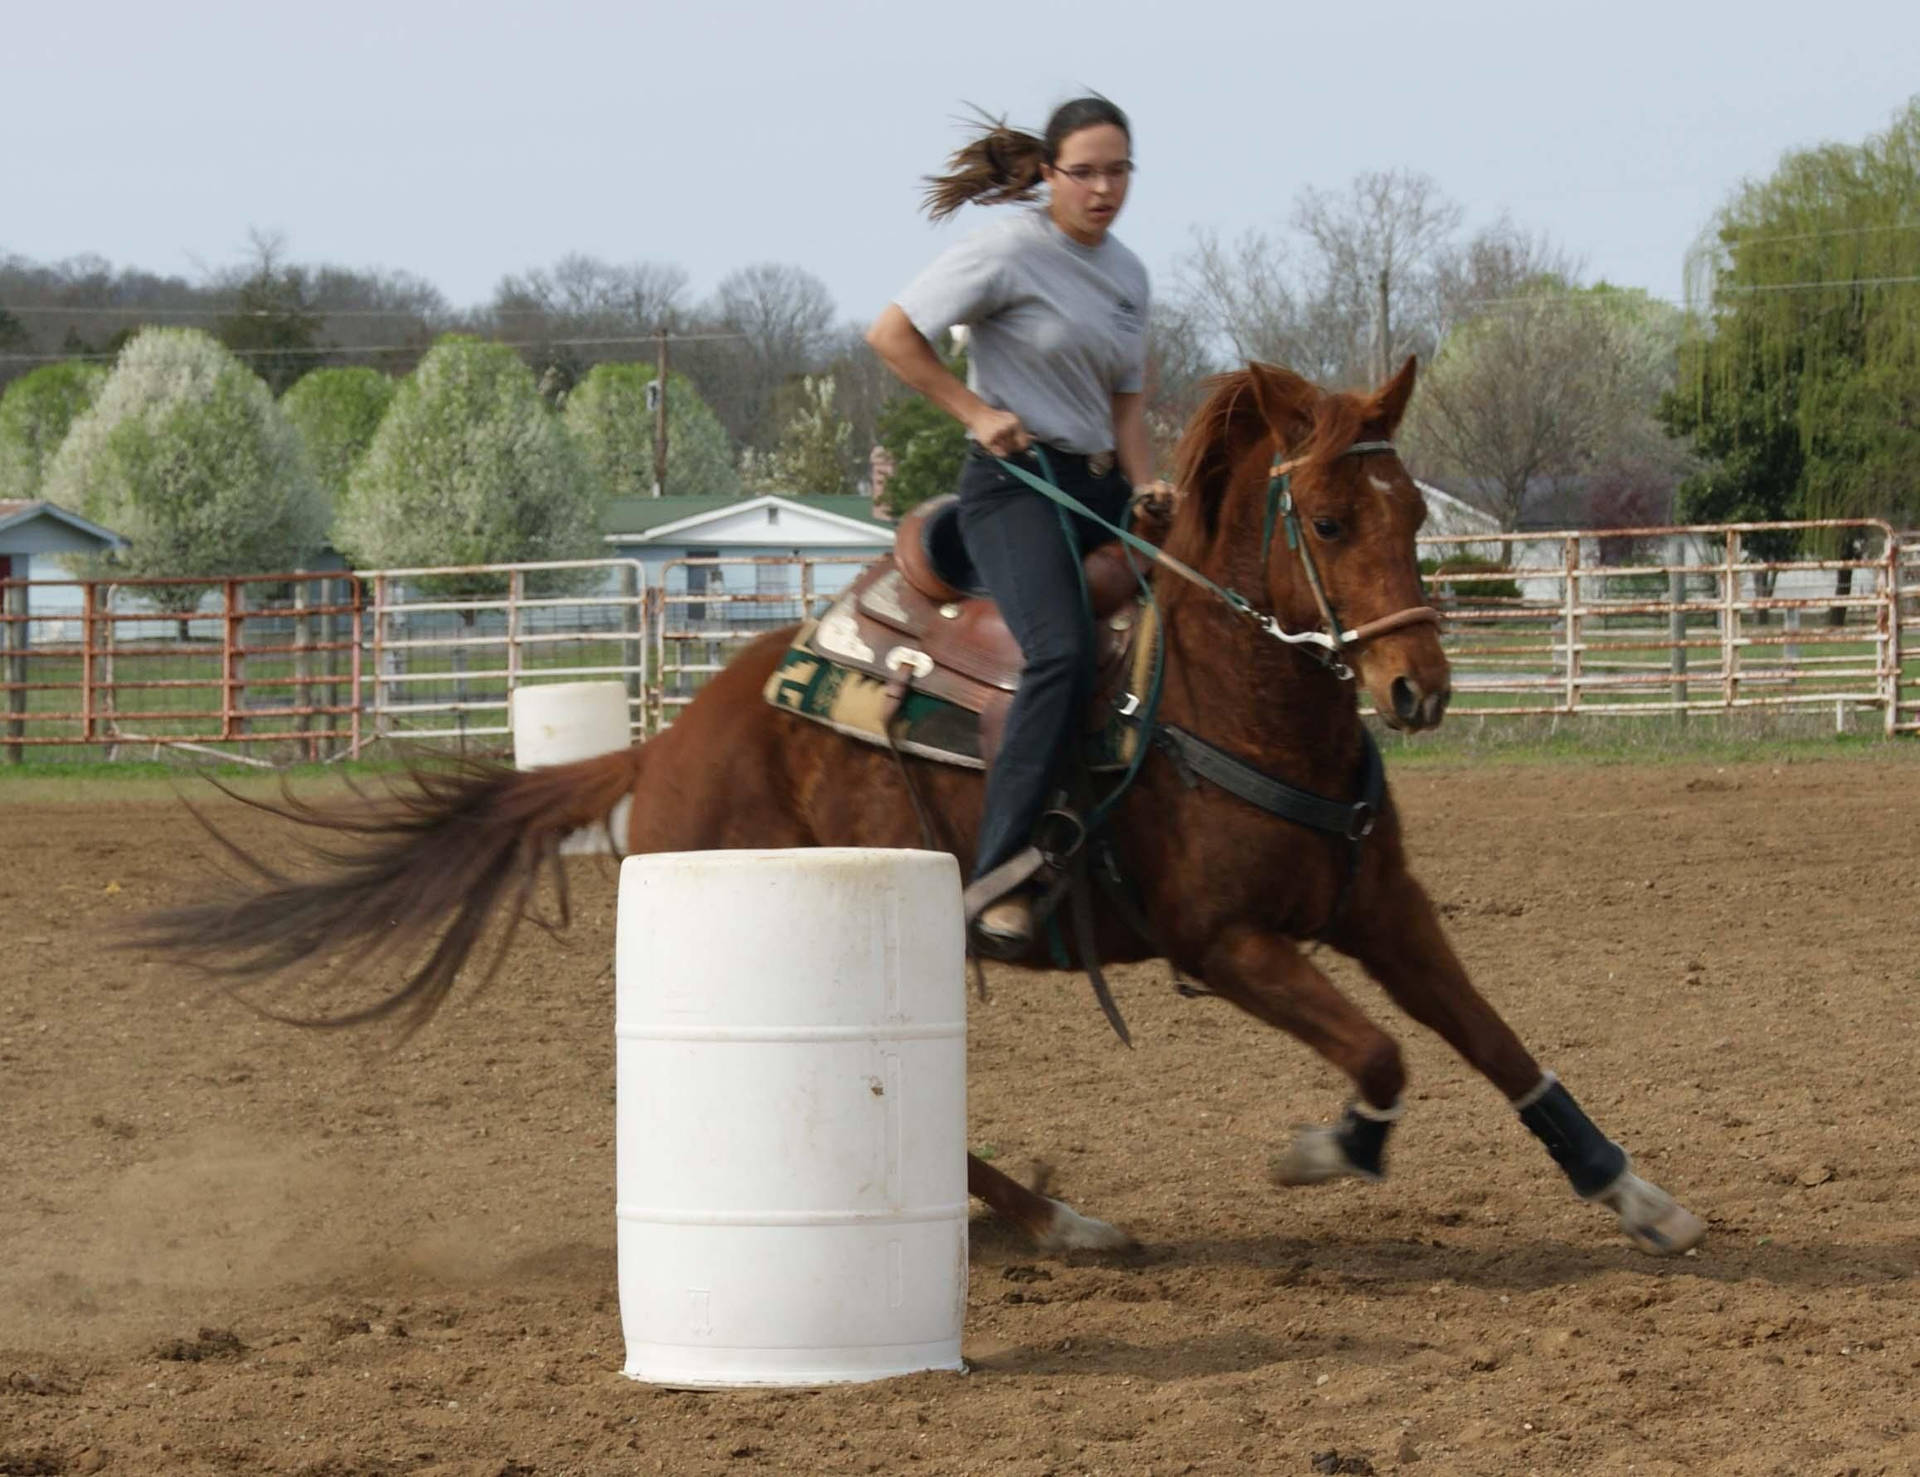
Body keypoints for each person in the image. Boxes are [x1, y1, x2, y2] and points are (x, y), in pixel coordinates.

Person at [866, 96, 1171, 956]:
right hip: (1015, 485)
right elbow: (890, 334)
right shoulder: (1007, 249)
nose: (1104, 189)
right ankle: (997, 872)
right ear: (1048, 174)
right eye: (1085, 172)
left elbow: (1128, 408)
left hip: (1098, 485)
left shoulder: (1130, 274)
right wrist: (973, 410)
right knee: (1062, 650)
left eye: (1119, 170)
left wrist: (1148, 489)